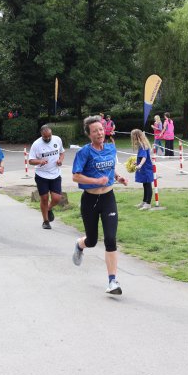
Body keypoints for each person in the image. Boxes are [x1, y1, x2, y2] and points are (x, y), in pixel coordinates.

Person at [71, 115, 128, 295]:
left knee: (110, 239)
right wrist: (96, 180)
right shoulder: (84, 152)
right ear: (89, 134)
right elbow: (76, 176)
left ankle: (112, 281)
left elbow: (110, 168)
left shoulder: (111, 148)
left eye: (101, 129)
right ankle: (80, 245)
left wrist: (118, 177)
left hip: (108, 198)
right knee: (92, 240)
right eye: (95, 131)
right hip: (90, 200)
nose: (100, 133)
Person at [28, 124, 65, 229]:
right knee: (44, 198)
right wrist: (40, 161)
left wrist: (60, 160)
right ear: (41, 135)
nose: (48, 138)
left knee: (57, 198)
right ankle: (45, 221)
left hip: (55, 173)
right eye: (45, 137)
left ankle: (49, 208)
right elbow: (30, 161)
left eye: (49, 136)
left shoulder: (57, 140)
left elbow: (62, 153)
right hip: (41, 175)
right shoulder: (36, 144)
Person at [131, 129, 154, 210]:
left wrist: (140, 165)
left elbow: (144, 157)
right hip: (144, 168)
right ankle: (144, 201)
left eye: (133, 137)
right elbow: (142, 157)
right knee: (145, 185)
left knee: (148, 185)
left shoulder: (142, 145)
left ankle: (148, 203)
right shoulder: (142, 144)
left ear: (136, 136)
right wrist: (137, 163)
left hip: (146, 168)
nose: (132, 139)